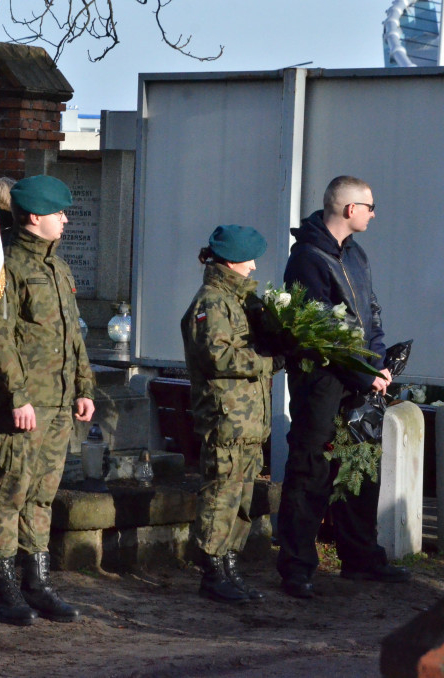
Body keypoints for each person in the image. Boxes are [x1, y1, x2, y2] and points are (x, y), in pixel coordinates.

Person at [277, 175, 409, 599]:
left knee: (360, 467)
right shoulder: (308, 258)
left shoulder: (356, 254)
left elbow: (370, 314)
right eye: (369, 206)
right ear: (350, 210)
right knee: (310, 467)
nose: (374, 213)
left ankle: (360, 558)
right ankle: (297, 567)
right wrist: (362, 371)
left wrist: (379, 364)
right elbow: (319, 332)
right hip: (321, 381)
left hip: (359, 379)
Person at [0, 175, 95, 625]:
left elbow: (73, 338)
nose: (65, 219)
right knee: (11, 492)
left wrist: (84, 387)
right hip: (24, 406)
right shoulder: (7, 267)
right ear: (33, 217)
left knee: (42, 496)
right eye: (58, 212)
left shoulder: (57, 267)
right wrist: (17, 397)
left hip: (59, 401)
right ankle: (4, 590)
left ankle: (37, 583)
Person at [180, 225, 276, 604]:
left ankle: (229, 566)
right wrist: (267, 361)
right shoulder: (212, 302)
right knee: (221, 496)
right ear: (232, 261)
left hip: (246, 419)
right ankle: (213, 570)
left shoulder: (235, 301)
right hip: (227, 418)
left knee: (242, 499)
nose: (253, 267)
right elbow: (217, 356)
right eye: (249, 259)